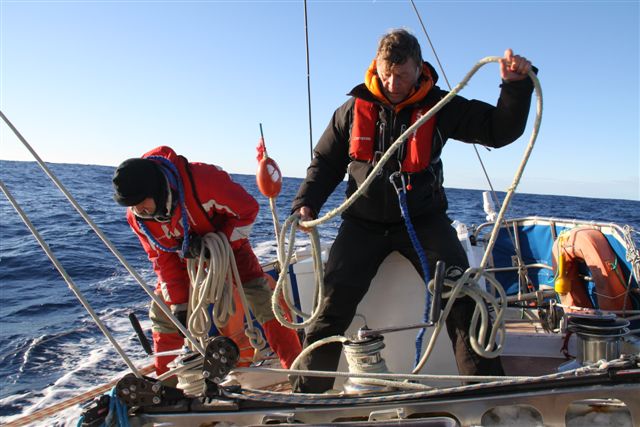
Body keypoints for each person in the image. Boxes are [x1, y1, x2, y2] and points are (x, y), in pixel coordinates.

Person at [291, 29, 536, 393]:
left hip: (423, 221)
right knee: (332, 302)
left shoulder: (441, 105)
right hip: (362, 223)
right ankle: (307, 392)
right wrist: (306, 201)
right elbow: (325, 162)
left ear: (418, 69)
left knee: (462, 296)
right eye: (386, 73)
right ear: (376, 66)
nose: (392, 83)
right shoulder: (350, 110)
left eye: (401, 75)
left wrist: (515, 88)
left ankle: (487, 392)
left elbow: (497, 131)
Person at [112, 145, 301, 375]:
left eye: (141, 202)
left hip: (230, 248)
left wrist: (218, 242)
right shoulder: (139, 218)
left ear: (157, 189)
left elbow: (247, 211)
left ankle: (299, 370)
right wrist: (179, 305)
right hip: (184, 260)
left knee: (263, 299)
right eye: (132, 206)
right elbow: (162, 260)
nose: (138, 209)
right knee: (163, 312)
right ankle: (167, 384)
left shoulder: (204, 181)